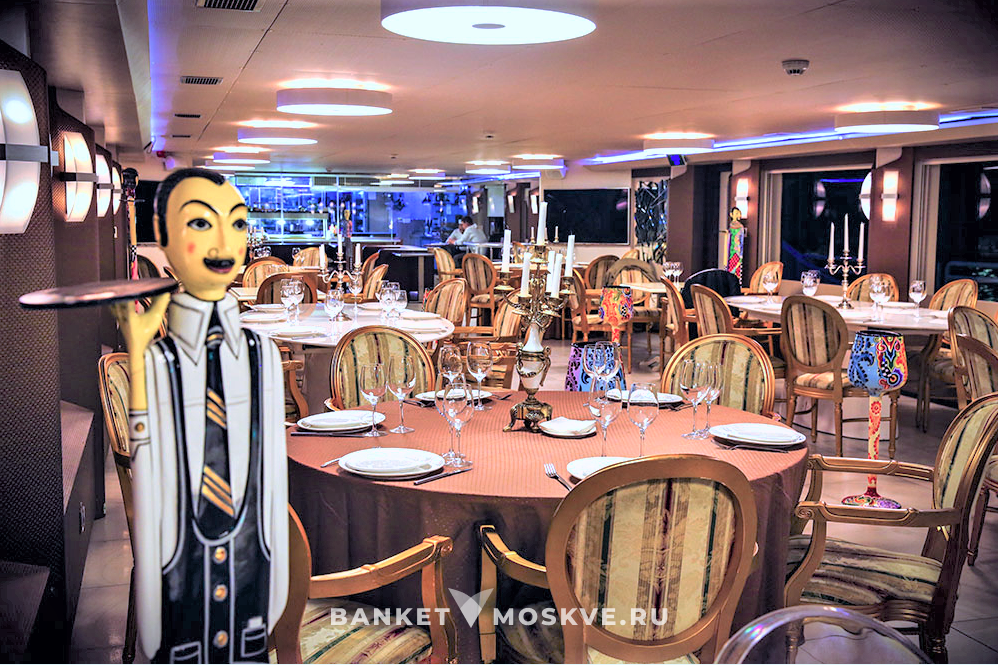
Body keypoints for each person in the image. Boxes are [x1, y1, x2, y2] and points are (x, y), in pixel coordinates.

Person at [111, 168, 288, 663]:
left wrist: (276, 590)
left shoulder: (262, 353)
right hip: (179, 590)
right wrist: (151, 616)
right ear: (163, 239)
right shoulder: (158, 361)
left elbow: (273, 476)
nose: (224, 241)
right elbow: (149, 481)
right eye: (201, 223)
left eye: (237, 223)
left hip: (254, 586)